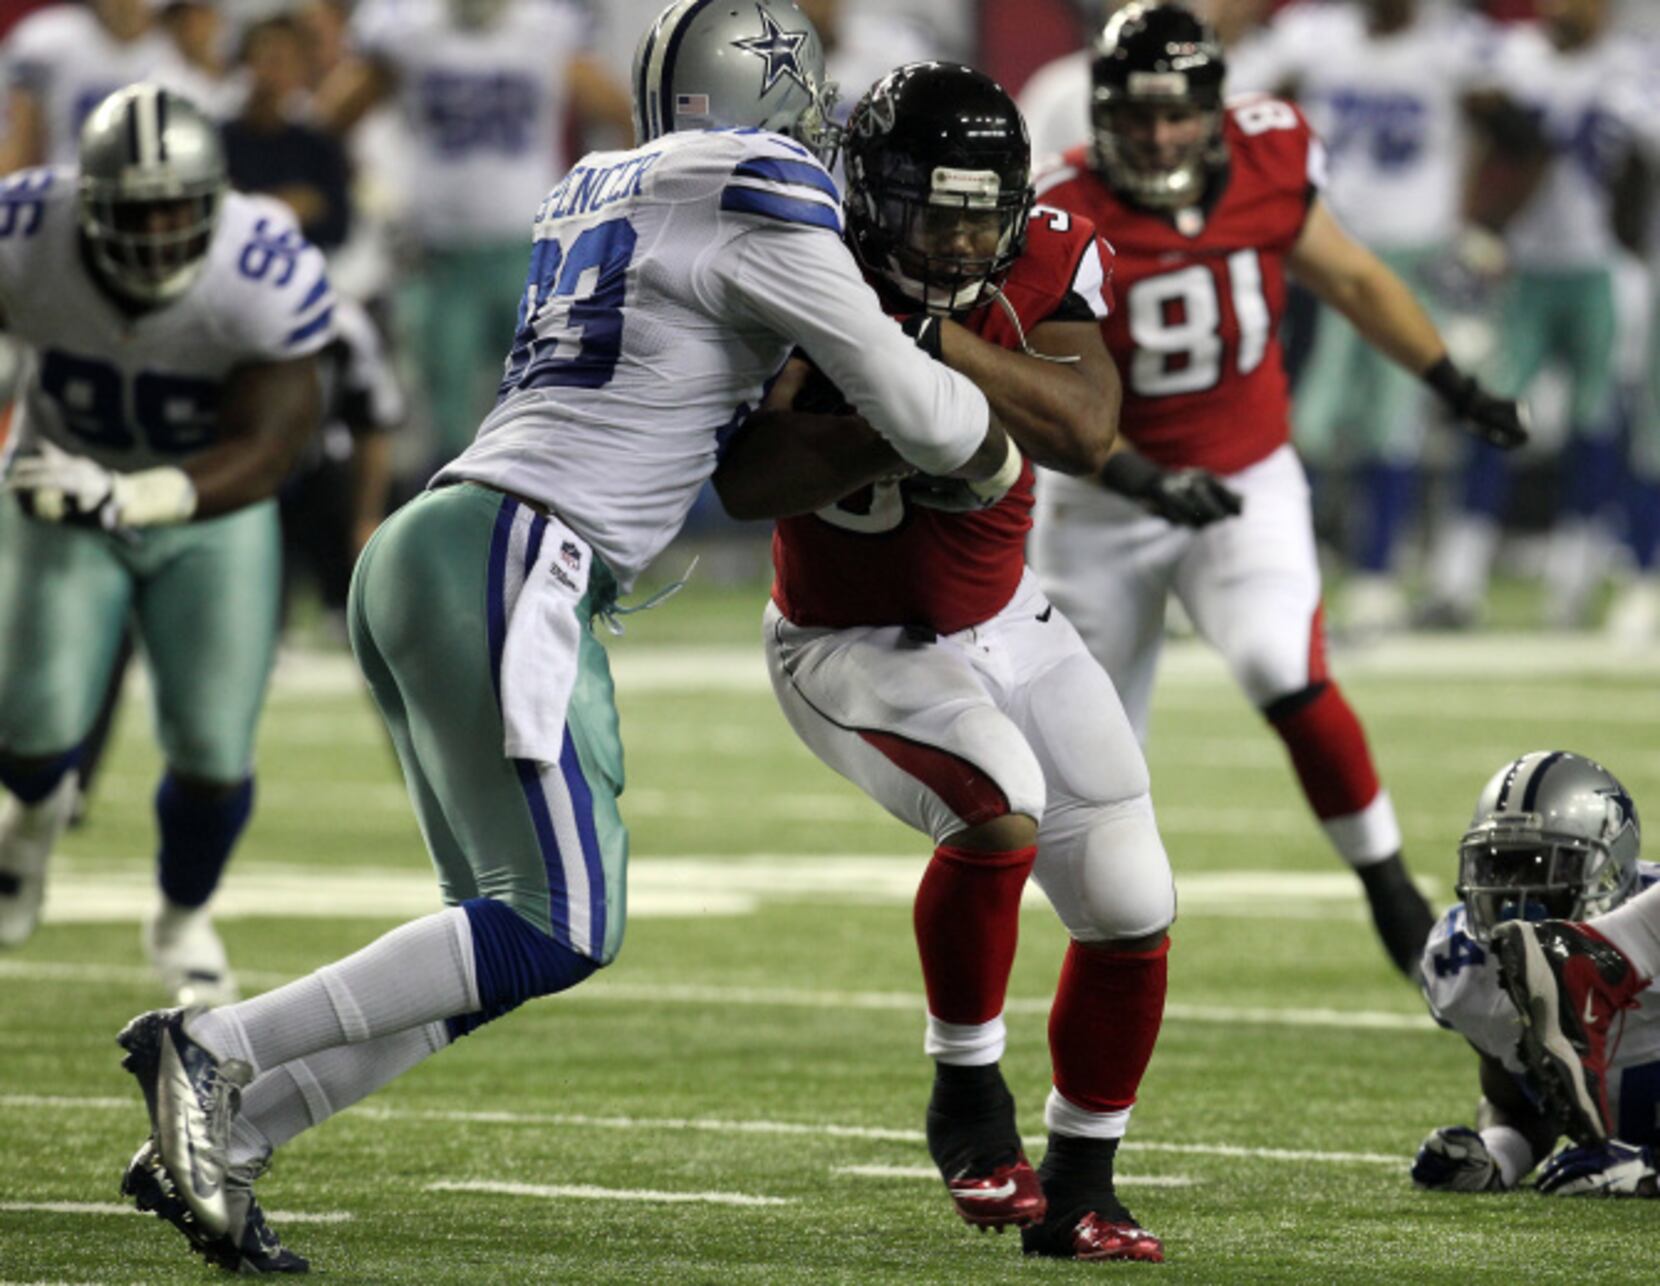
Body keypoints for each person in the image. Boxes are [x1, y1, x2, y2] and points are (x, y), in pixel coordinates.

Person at [113, 0, 1024, 1272]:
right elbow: (923, 413)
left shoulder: (598, 177)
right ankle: (216, 1046)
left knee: (491, 939)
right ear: (771, 95)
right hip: (517, 554)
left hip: (446, 542)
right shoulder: (759, 179)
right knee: (558, 922)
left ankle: (232, 1139)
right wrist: (995, 442)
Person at [729, 62, 1171, 1264]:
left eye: (983, 211)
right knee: (993, 804)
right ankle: (967, 1101)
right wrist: (897, 431)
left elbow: (1082, 426)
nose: (962, 234)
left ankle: (1081, 1184)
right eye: (935, 209)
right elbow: (743, 478)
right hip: (846, 635)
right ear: (872, 201)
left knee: (1132, 901)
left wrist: (935, 351)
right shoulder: (799, 256)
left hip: (1005, 618)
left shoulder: (1041, 254)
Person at [1028, 3, 1528, 978]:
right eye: (1136, 113)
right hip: (1100, 500)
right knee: (1078, 762)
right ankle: (1099, 951)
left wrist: (1450, 381)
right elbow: (1049, 394)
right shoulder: (1062, 205)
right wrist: (1137, 474)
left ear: (1216, 108)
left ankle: (1387, 880)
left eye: (1177, 112)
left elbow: (1350, 278)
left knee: (1276, 660)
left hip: (1242, 472)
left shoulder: (1271, 153)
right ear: (1103, 111)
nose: (1159, 133)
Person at [0, 85, 331, 1003]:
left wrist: (130, 495)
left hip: (207, 518)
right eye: (135, 212)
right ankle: (26, 821)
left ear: (216, 200)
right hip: (59, 492)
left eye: (176, 209)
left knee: (214, 748)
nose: (155, 233)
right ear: (87, 203)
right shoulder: (23, 228)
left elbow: (271, 448)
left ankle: (183, 915)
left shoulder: (261, 267)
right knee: (28, 726)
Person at [1246, 0, 1499, 638]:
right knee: (1309, 419)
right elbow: (1249, 112)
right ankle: (1290, 570)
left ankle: (1376, 574)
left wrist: (1480, 221)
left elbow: (1518, 129)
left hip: (1416, 254)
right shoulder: (1313, 36)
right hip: (1329, 252)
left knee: (1395, 420)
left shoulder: (1455, 44)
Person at [313, 0, 635, 468]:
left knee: (548, 400)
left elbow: (621, 112)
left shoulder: (545, 29)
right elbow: (327, 122)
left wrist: (615, 206)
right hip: (441, 255)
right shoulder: (407, 31)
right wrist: (356, 185)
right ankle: (463, 526)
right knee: (448, 419)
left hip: (532, 252)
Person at [1418, 0, 1653, 631]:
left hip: (1601, 267)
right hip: (1523, 267)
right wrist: (1474, 227)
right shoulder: (1515, 57)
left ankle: (1574, 579)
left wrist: (1629, 245)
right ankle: (1459, 577)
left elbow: (1636, 167)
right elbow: (1488, 132)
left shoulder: (1628, 66)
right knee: (1494, 416)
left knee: (1595, 425)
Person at [1412, 751, 1660, 1197]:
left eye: (1543, 866)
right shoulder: (1466, 960)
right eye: (1497, 867)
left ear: (1610, 874)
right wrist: (1499, 1155)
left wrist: (1651, 1171)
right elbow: (1521, 1102)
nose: (1513, 892)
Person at [0, 0, 191, 172]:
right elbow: (19, 150)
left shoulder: (178, 47)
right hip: (68, 194)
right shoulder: (47, 40)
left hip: (153, 196)